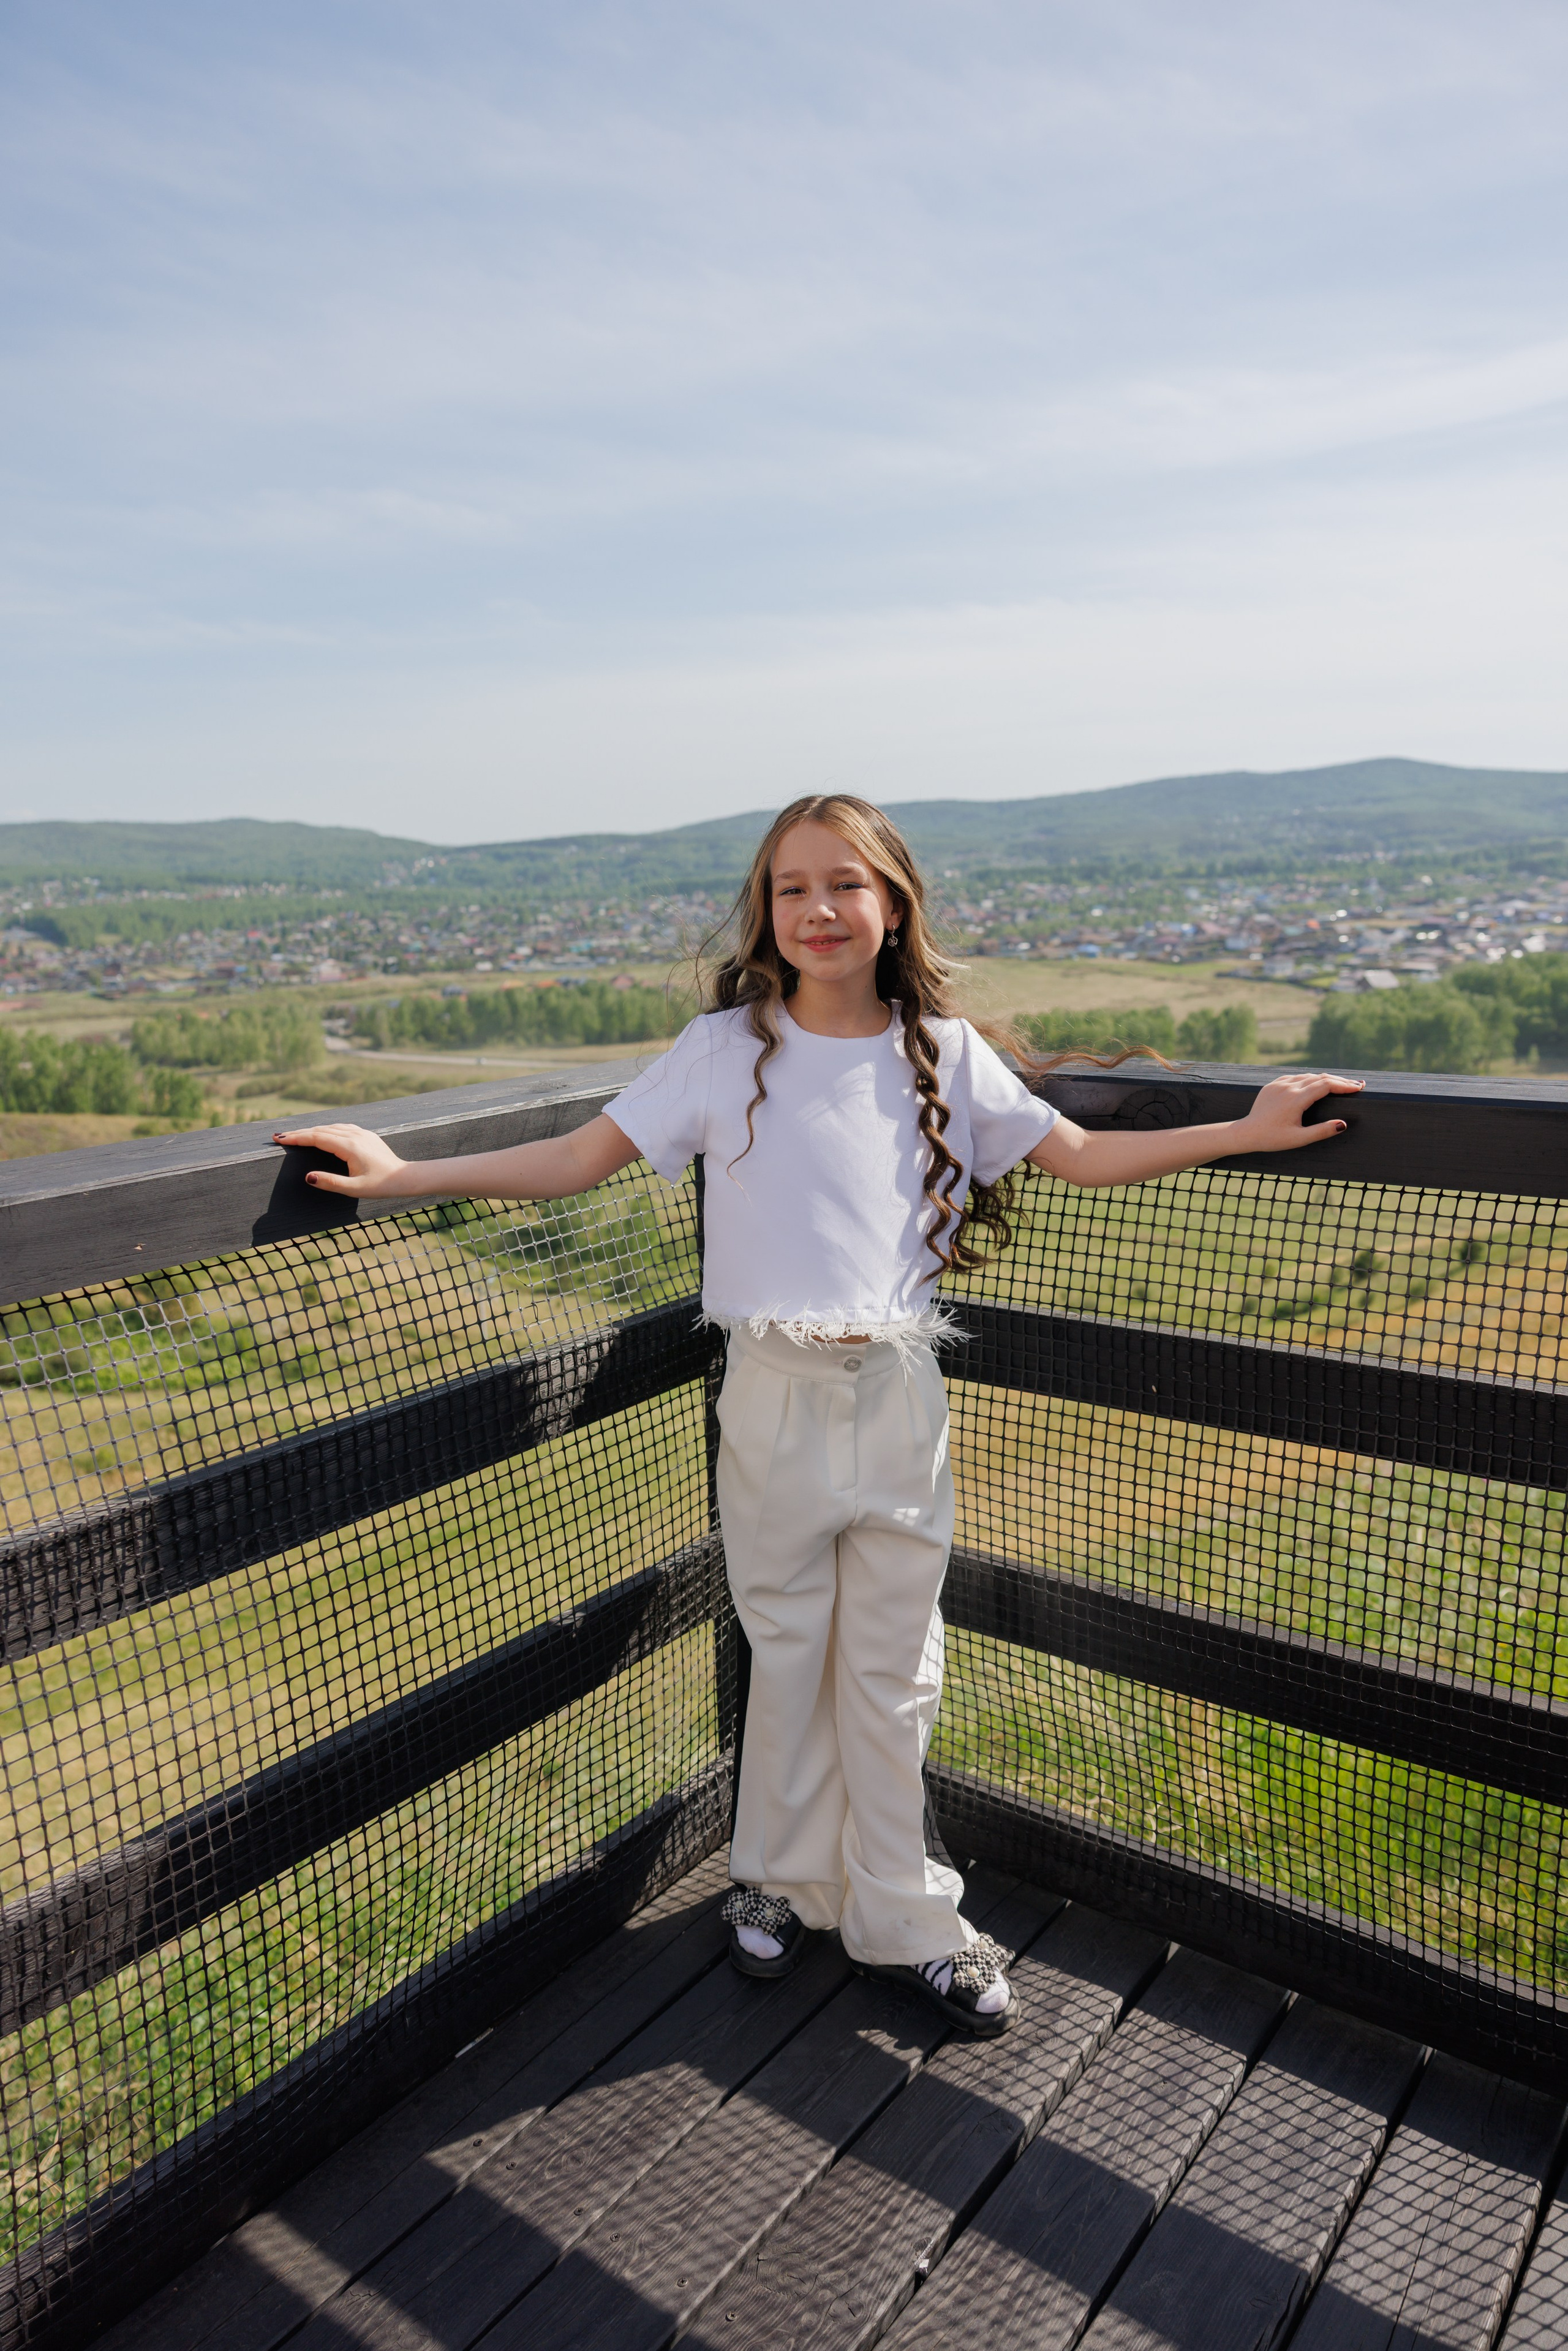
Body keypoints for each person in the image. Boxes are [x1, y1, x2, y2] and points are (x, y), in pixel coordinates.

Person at [276, 793, 1362, 2040]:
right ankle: (779, 1883)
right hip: (771, 1392)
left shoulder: (941, 1049)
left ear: (891, 901)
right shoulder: (721, 1048)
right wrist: (401, 1175)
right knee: (784, 1647)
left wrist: (1246, 1129)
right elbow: (577, 1158)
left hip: (900, 1389)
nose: (818, 908)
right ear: (767, 912)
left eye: (844, 883)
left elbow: (1078, 1156)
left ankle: (909, 1917)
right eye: (792, 888)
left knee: (894, 1671)